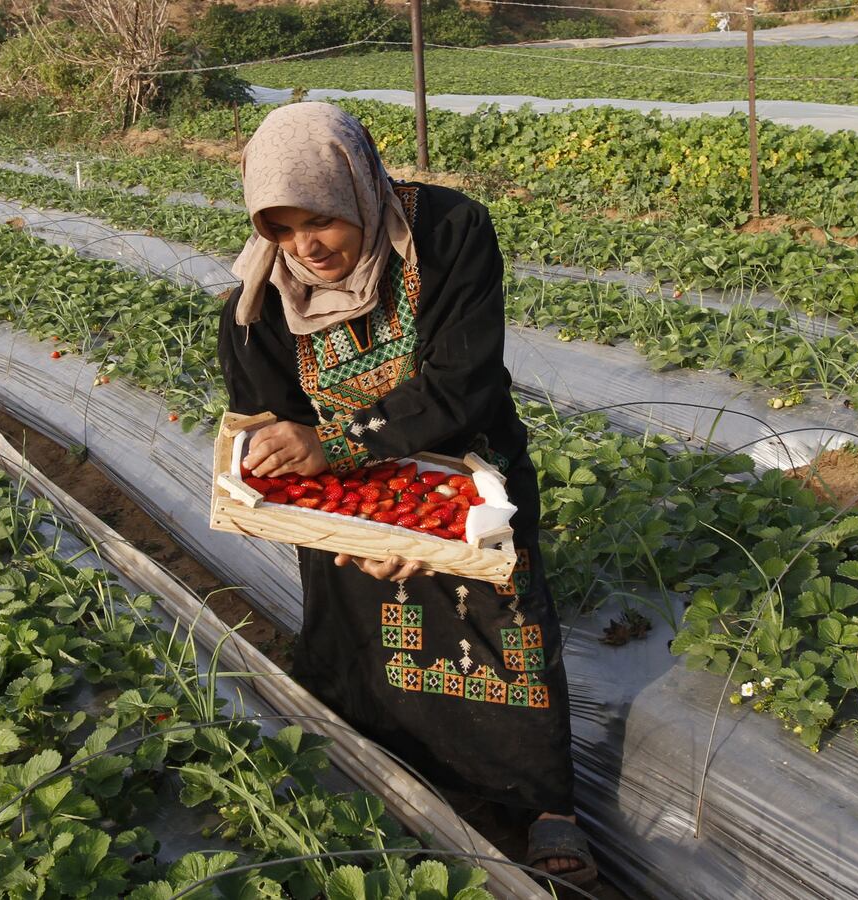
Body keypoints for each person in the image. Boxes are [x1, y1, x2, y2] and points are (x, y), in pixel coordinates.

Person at [217, 102, 598, 889]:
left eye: (320, 219)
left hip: (465, 459)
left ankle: (541, 801)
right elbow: (269, 417)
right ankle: (383, 763)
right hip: (348, 491)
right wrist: (324, 493)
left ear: (358, 185)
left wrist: (342, 443)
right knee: (355, 619)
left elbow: (465, 381)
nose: (306, 248)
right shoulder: (258, 302)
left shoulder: (449, 232)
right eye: (280, 230)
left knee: (499, 613)